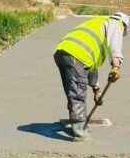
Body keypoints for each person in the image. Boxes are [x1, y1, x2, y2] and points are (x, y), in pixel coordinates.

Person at [54, 12, 128, 141]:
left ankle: (80, 125)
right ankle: (80, 133)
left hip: (64, 53)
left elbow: (91, 68)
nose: (122, 34)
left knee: (73, 91)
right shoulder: (116, 23)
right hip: (75, 55)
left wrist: (96, 90)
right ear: (124, 26)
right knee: (77, 93)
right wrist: (116, 65)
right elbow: (115, 46)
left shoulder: (97, 25)